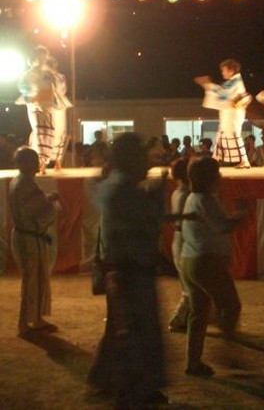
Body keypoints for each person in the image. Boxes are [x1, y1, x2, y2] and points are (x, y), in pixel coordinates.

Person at [87, 133, 168, 408]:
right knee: (137, 334)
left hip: (124, 270)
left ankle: (107, 380)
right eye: (142, 156)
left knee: (122, 331)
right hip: (131, 271)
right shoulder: (126, 190)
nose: (147, 161)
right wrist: (158, 197)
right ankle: (131, 391)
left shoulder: (117, 185)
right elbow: (146, 224)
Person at [181, 157, 246, 376]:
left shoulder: (192, 198)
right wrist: (241, 214)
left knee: (198, 313)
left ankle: (193, 362)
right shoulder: (206, 200)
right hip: (206, 262)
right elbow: (223, 227)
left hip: (190, 259)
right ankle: (227, 350)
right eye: (217, 173)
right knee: (230, 305)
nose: (220, 177)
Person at [9, 147, 60, 336]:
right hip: (29, 238)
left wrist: (47, 199)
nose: (38, 163)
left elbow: (32, 205)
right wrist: (52, 203)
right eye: (34, 160)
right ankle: (26, 323)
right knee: (32, 280)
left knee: (34, 279)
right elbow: (40, 211)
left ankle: (35, 319)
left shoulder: (20, 182)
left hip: (26, 236)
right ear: (26, 163)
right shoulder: (25, 184)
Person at [15, 46, 72, 172]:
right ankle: (41, 161)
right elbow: (23, 86)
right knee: (41, 131)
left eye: (44, 57)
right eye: (40, 56)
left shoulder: (50, 73)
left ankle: (52, 160)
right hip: (36, 105)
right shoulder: (29, 74)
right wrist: (31, 94)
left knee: (54, 132)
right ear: (34, 58)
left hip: (50, 105)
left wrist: (54, 77)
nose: (42, 59)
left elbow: (61, 88)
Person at [195, 59, 252, 169]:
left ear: (231, 71)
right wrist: (208, 85)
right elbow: (223, 93)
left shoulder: (235, 81)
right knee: (222, 135)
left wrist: (208, 85)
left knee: (234, 135)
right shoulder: (232, 82)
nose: (222, 73)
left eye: (224, 70)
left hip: (234, 113)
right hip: (229, 112)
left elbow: (222, 93)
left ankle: (244, 161)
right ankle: (216, 159)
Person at [168, 157, 191, 332]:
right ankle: (178, 319)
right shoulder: (186, 195)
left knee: (187, 283)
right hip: (185, 240)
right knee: (190, 286)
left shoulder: (176, 193)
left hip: (178, 238)